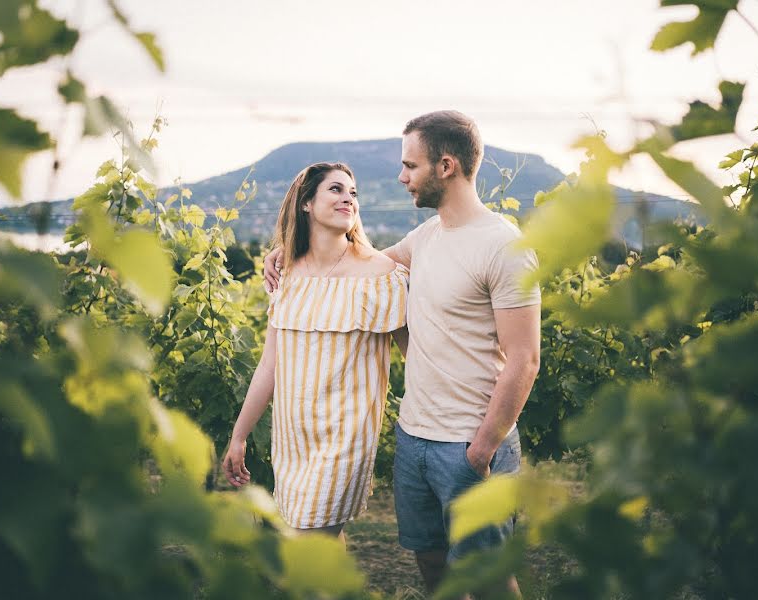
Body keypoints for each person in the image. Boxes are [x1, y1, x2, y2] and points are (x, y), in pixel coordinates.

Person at [265, 111, 541, 594]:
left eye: (410, 166)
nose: (401, 176)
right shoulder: (425, 238)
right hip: (414, 439)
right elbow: (353, 263)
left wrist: (483, 448)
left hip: (468, 445)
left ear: (447, 166)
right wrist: (288, 253)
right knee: (432, 568)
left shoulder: (504, 247)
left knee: (491, 579)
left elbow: (525, 359)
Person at [222, 162, 409, 541]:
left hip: (345, 438)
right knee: (318, 546)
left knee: (310, 541)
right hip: (293, 438)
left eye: (353, 193)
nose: (348, 199)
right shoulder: (287, 275)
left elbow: (417, 358)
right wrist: (239, 436)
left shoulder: (382, 275)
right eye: (336, 190)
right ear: (306, 202)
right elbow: (269, 364)